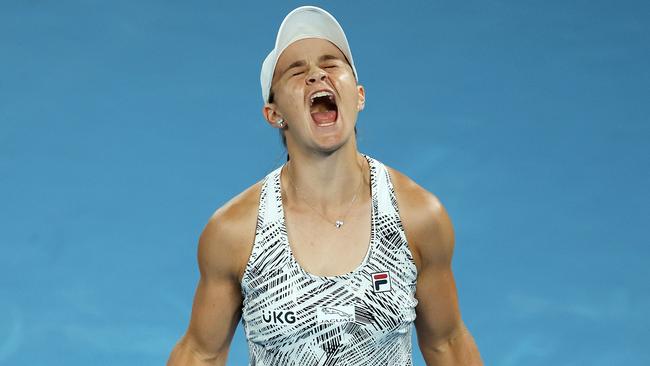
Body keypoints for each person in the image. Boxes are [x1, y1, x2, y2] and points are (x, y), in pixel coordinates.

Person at [167, 6, 482, 366]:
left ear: (359, 96)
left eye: (331, 65)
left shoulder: (418, 217)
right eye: (297, 71)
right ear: (274, 114)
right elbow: (200, 354)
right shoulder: (235, 233)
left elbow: (448, 343)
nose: (317, 75)